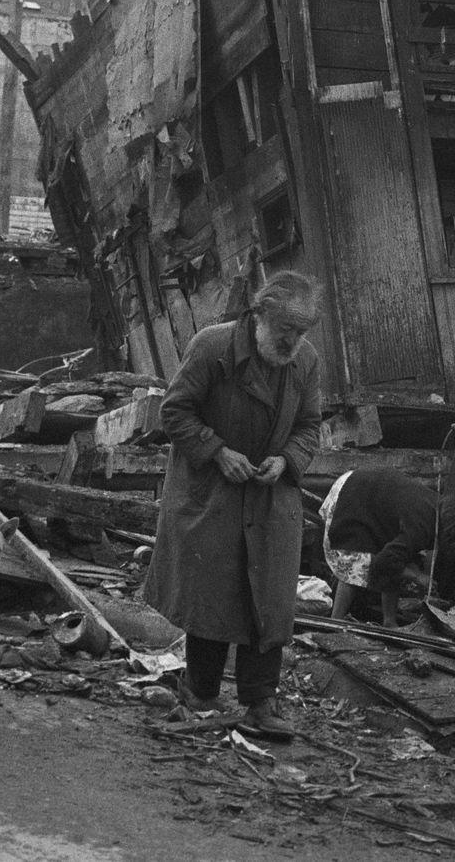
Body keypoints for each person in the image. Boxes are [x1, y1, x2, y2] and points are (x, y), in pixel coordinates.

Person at [143, 270, 323, 740]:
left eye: (301, 332)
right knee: (212, 592)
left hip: (269, 498)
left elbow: (309, 427)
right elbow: (174, 412)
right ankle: (200, 693)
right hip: (213, 492)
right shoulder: (211, 347)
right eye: (286, 330)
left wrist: (286, 461)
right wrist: (218, 451)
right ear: (259, 315)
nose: (293, 342)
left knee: (270, 599)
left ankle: (260, 703)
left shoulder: (304, 363)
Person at [321, 468, 455, 627]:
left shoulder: (435, 510)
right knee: (356, 563)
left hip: (366, 491)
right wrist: (418, 577)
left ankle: (389, 622)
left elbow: (395, 560)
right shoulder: (421, 526)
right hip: (352, 496)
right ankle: (335, 621)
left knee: (396, 561)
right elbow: (384, 562)